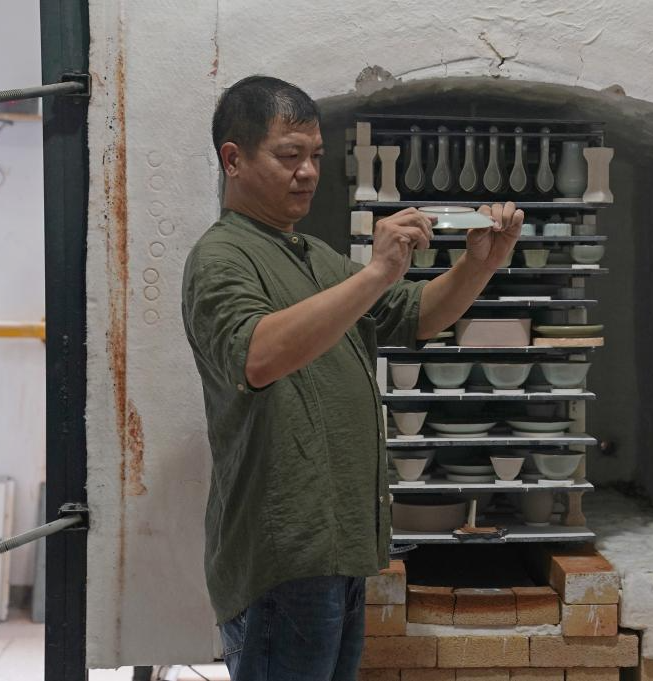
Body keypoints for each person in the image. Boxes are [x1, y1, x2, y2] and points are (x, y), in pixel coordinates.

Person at [182, 75, 523, 681]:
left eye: (315, 156)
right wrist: (376, 273)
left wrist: (479, 265)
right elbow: (257, 355)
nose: (308, 172)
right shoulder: (221, 257)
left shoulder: (312, 256)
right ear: (233, 159)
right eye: (289, 156)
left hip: (338, 544)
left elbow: (417, 315)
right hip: (285, 552)